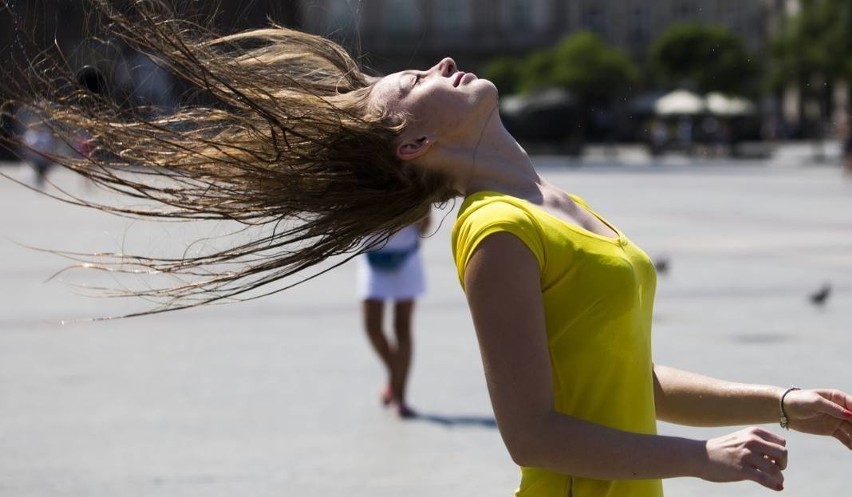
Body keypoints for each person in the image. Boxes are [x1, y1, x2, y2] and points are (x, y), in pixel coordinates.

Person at [2, 3, 851, 496]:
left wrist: (784, 400)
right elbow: (533, 432)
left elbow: (630, 378)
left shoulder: (560, 204)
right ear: (409, 145)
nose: (437, 62)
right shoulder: (496, 231)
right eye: (410, 83)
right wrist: (702, 458)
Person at [359, 214, 431, 418]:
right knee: (372, 327)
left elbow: (426, 225)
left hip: (406, 257)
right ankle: (395, 377)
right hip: (372, 257)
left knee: (402, 327)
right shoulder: (362, 182)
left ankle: (400, 397)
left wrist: (414, 217)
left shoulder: (418, 181)